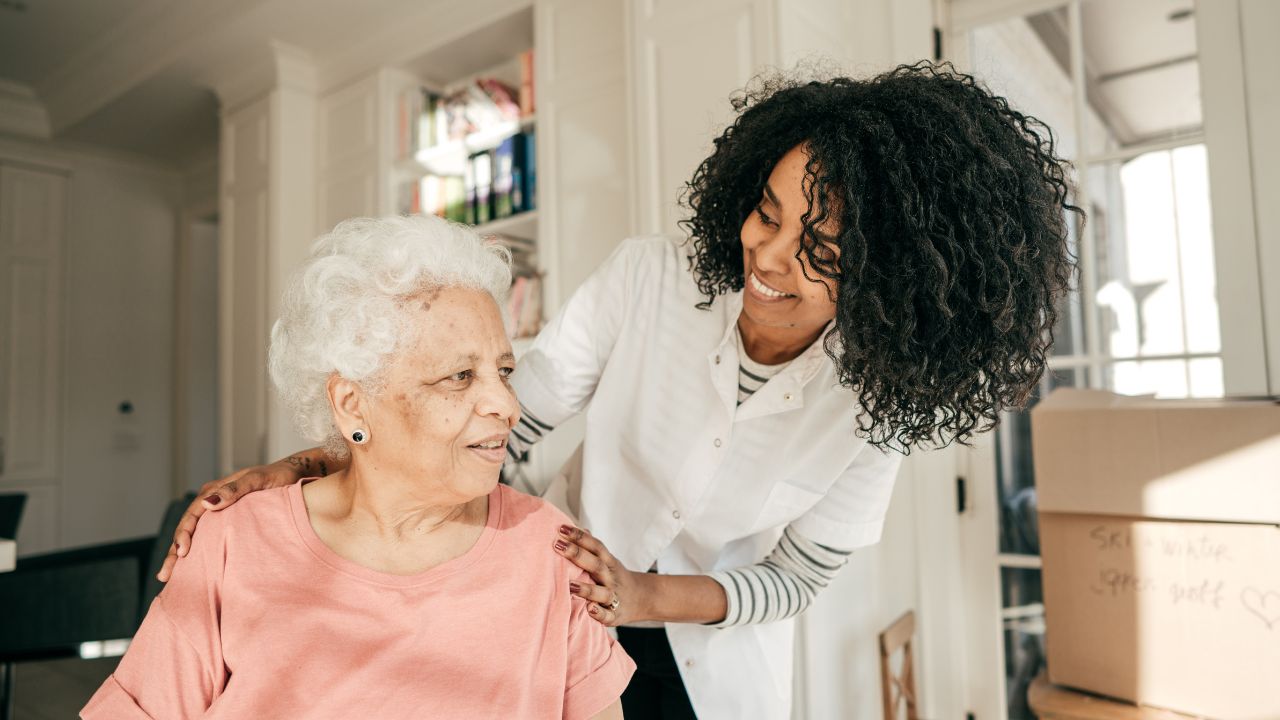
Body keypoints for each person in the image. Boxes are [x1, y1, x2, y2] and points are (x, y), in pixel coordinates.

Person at [160, 62, 1079, 719]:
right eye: (767, 210)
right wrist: (325, 462)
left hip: (712, 658)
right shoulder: (651, 279)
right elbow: (506, 427)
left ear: (892, 278)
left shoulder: (878, 407)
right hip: (556, 599)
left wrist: (645, 597)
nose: (766, 255)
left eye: (821, 252)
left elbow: (797, 578)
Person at [84, 217, 633, 719]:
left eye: (505, 370)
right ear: (351, 404)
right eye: (460, 377)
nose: (508, 407)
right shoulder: (235, 540)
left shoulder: (551, 550)